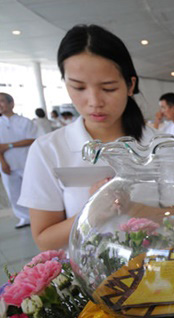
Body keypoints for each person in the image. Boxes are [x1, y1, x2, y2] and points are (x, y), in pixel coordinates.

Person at [18, 24, 156, 251]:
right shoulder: (48, 150)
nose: (94, 102)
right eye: (79, 87)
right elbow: (44, 239)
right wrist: (93, 211)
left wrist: (133, 208)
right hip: (85, 278)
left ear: (130, 85)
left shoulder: (158, 144)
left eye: (109, 88)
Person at [0, 92, 38, 228]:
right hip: (7, 164)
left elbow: (32, 139)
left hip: (26, 161)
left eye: (2, 101)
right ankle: (24, 217)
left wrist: (9, 145)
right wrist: (3, 162)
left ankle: (38, 216)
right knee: (13, 192)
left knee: (32, 191)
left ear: (11, 103)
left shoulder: (24, 122)